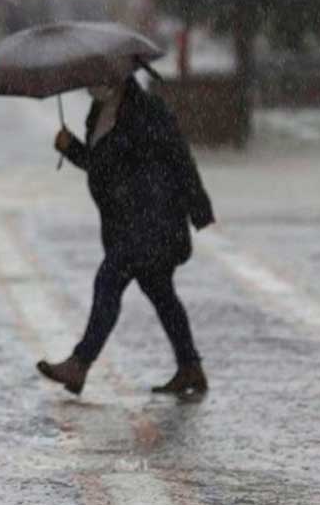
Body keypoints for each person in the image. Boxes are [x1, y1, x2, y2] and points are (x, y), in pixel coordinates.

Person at [37, 72, 215, 397]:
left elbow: (178, 156)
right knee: (160, 292)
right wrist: (72, 148)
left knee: (109, 279)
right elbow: (101, 166)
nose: (91, 83)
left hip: (154, 217)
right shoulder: (100, 110)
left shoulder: (146, 110)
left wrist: (198, 207)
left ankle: (79, 364)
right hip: (129, 222)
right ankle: (190, 367)